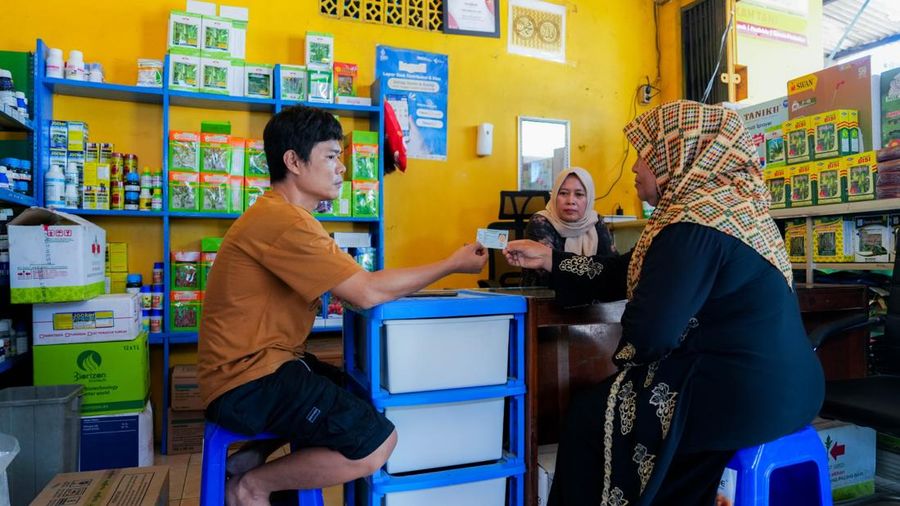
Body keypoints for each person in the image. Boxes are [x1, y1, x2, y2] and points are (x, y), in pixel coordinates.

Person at [504, 100, 824, 505]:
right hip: (792, 387)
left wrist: (627, 364)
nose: (636, 167)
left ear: (677, 154)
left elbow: (651, 332)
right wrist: (552, 259)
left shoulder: (691, 226)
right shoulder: (727, 212)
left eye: (644, 153)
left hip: (743, 394)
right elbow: (626, 271)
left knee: (589, 417)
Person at [198, 105, 487, 506]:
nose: (342, 170)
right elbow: (366, 291)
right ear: (293, 161)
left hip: (260, 368)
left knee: (349, 390)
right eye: (332, 157)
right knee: (376, 444)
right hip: (248, 382)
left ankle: (250, 458)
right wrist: (452, 264)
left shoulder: (285, 216)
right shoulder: (285, 222)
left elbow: (354, 284)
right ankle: (250, 487)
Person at [522, 167, 616, 287]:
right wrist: (594, 271)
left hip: (592, 301)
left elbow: (611, 268)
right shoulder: (540, 222)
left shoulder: (596, 221)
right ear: (554, 195)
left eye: (579, 194)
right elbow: (548, 276)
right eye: (563, 193)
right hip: (548, 300)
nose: (570, 200)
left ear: (589, 198)